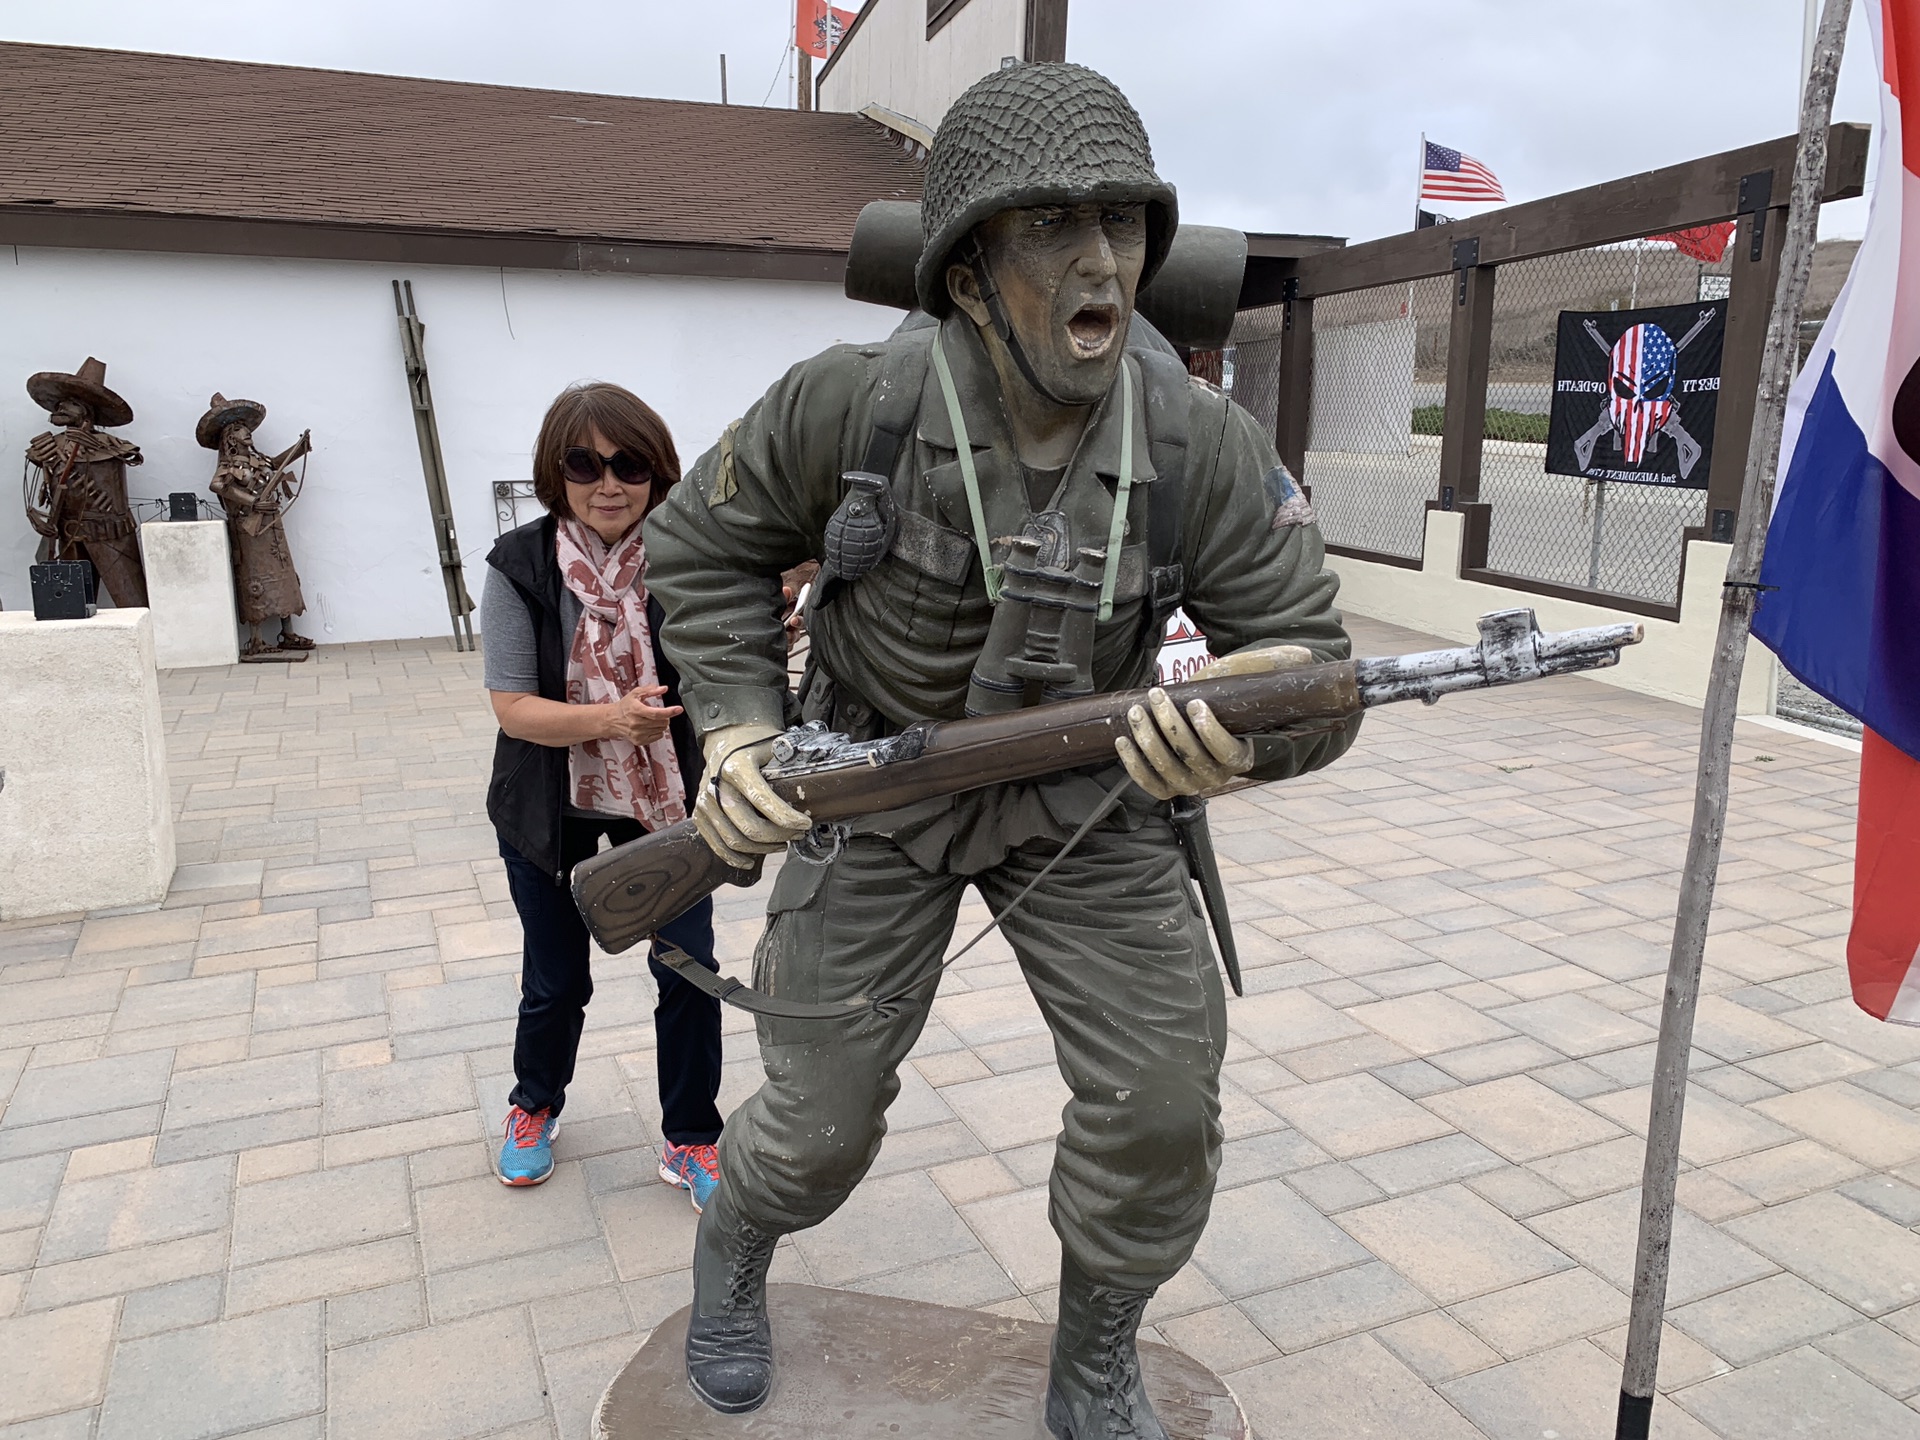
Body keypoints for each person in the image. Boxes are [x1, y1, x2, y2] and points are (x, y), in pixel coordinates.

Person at [644, 62, 1359, 1438]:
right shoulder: (854, 405)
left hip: (1086, 804)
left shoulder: (1200, 440)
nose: (1102, 261)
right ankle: (732, 1249)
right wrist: (737, 733)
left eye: (1124, 223)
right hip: (871, 789)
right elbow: (700, 545)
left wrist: (1249, 730)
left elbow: (1312, 660)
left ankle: (1095, 1351)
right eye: (1051, 226)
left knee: (1161, 1100)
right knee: (819, 1127)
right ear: (968, 271)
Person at [481, 382, 725, 1204]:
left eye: (629, 463)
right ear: (558, 472)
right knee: (556, 979)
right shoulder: (519, 566)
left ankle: (692, 1137)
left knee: (687, 969)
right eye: (585, 464)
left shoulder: (692, 556)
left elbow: (732, 663)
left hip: (667, 804)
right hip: (550, 801)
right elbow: (513, 710)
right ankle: (534, 1106)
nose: (608, 482)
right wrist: (613, 720)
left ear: (658, 471)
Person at [22, 356, 148, 608]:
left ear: (87, 411)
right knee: (69, 606)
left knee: (133, 603)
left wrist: (93, 446)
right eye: (60, 403)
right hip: (67, 533)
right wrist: (36, 517)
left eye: (71, 403)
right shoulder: (48, 447)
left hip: (112, 534)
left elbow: (133, 457)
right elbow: (32, 484)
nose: (61, 407)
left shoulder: (112, 447)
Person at [199, 393, 314, 657]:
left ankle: (288, 631)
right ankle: (256, 639)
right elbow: (217, 485)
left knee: (284, 575)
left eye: (247, 428)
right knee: (255, 580)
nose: (247, 433)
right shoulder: (229, 464)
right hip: (249, 531)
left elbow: (275, 464)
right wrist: (252, 502)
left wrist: (299, 449)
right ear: (229, 436)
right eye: (240, 429)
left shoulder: (258, 460)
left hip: (272, 526)